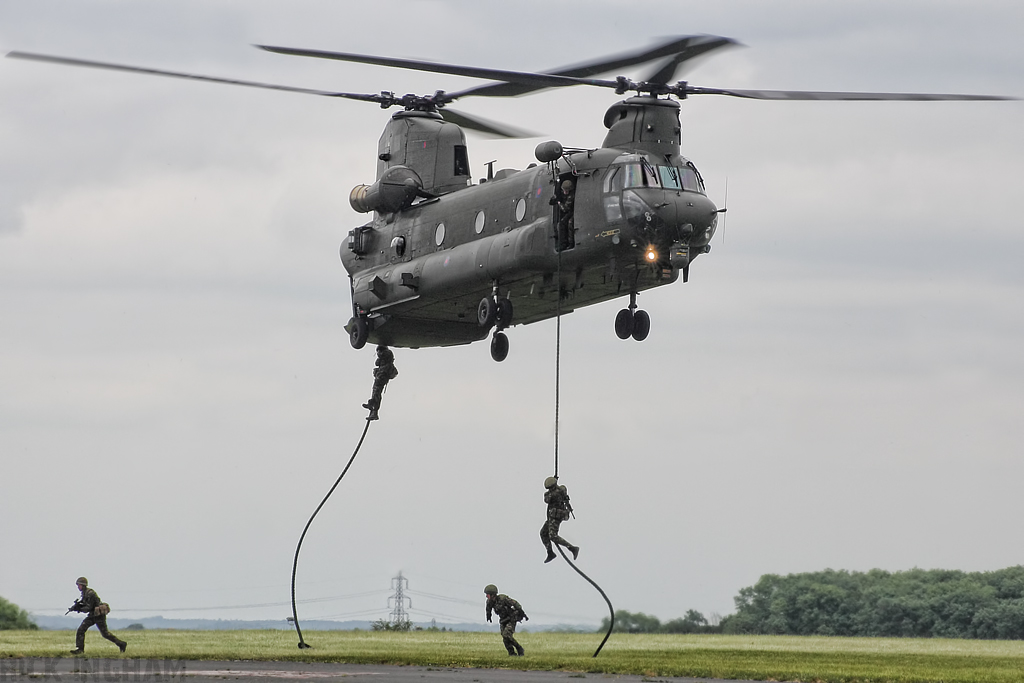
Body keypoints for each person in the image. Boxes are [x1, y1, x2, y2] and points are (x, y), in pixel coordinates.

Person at [68, 577, 126, 654]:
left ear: (83, 585)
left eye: (79, 585)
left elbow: (88, 608)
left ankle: (121, 644)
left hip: (98, 616)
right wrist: (75, 607)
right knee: (81, 630)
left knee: (105, 634)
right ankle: (80, 649)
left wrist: (78, 609)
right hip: (92, 615)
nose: (78, 587)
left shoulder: (90, 593)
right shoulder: (84, 593)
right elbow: (84, 604)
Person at [540, 476, 579, 563]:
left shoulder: (556, 493)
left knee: (553, 536)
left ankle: (572, 548)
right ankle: (550, 552)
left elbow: (548, 499)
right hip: (551, 517)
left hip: (556, 517)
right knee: (543, 533)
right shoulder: (560, 490)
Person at [483, 584, 527, 656]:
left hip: (511, 618)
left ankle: (519, 648)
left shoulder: (503, 599)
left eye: (487, 594)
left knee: (506, 635)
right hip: (503, 619)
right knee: (505, 638)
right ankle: (511, 653)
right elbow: (488, 609)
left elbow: (515, 603)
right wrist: (489, 617)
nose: (486, 596)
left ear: (493, 594)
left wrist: (522, 613)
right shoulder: (489, 602)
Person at [362, 345, 398, 420]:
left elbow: (381, 357)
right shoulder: (382, 362)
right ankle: (372, 404)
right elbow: (377, 363)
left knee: (377, 392)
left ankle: (374, 410)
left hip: (383, 376)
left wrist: (379, 353)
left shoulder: (387, 353)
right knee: (375, 391)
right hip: (380, 376)